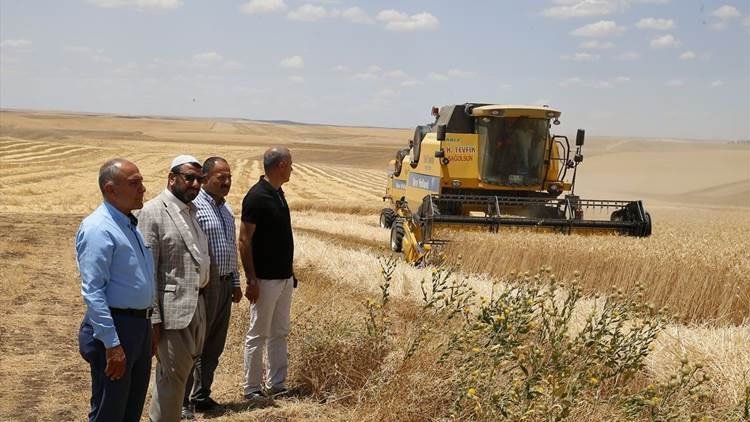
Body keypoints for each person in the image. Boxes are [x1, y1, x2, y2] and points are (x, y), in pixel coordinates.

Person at [76, 158, 155, 422]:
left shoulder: (127, 224)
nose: (142, 189)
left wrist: (149, 327)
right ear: (110, 190)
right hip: (116, 329)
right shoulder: (99, 228)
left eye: (141, 182)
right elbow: (94, 291)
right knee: (109, 412)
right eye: (135, 183)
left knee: (130, 411)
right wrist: (112, 345)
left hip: (138, 328)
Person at [138, 155, 210, 422]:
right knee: (172, 379)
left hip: (196, 307)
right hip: (172, 314)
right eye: (189, 177)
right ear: (172, 178)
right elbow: (148, 272)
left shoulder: (191, 211)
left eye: (199, 179)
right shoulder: (153, 211)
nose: (195, 184)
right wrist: (154, 319)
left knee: (176, 379)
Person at [182, 157, 242, 415]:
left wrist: (237, 281)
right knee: (194, 345)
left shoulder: (226, 210)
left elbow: (231, 247)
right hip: (204, 286)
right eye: (221, 177)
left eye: (229, 177)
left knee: (215, 344)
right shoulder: (194, 207)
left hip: (226, 283)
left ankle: (201, 395)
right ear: (205, 178)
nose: (227, 182)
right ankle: (182, 403)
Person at [239, 146, 296, 400]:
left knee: (280, 332)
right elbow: (244, 240)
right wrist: (251, 279)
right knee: (258, 334)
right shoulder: (256, 197)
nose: (293, 168)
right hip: (264, 279)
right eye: (290, 164)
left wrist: (290, 273)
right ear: (281, 165)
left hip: (283, 278)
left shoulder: (278, 193)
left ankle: (277, 384)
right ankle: (251, 388)